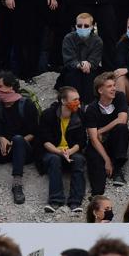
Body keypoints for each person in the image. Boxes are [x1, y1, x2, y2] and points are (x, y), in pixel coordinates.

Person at [0, 72, 40, 205]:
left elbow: (34, 133)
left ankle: (17, 185)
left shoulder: (27, 105)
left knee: (18, 139)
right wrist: (1, 139)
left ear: (11, 86)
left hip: (23, 150)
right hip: (4, 150)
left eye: (0, 86)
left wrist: (15, 142)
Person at [38, 85, 87, 216]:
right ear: (64, 101)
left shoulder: (80, 114)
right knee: (54, 159)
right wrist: (60, 152)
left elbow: (81, 141)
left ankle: (75, 202)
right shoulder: (48, 114)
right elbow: (45, 141)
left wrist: (69, 152)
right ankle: (55, 200)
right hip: (52, 151)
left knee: (79, 160)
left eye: (78, 99)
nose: (78, 102)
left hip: (71, 150)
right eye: (74, 99)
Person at [84, 72, 129, 193]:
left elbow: (122, 119)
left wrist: (101, 130)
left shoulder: (119, 97)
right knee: (95, 163)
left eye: (114, 85)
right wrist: (107, 160)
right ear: (100, 90)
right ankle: (96, 195)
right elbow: (94, 139)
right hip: (98, 145)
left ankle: (118, 169)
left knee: (121, 128)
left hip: (114, 141)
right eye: (110, 86)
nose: (114, 88)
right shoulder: (92, 108)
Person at [57, 11, 105, 101]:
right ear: (75, 26)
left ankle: (87, 106)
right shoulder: (68, 38)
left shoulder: (97, 41)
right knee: (73, 75)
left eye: (86, 26)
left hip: (90, 70)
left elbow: (94, 61)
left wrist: (88, 64)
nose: (82, 28)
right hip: (72, 70)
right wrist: (80, 64)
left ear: (91, 27)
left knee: (89, 77)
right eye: (79, 26)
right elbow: (69, 60)